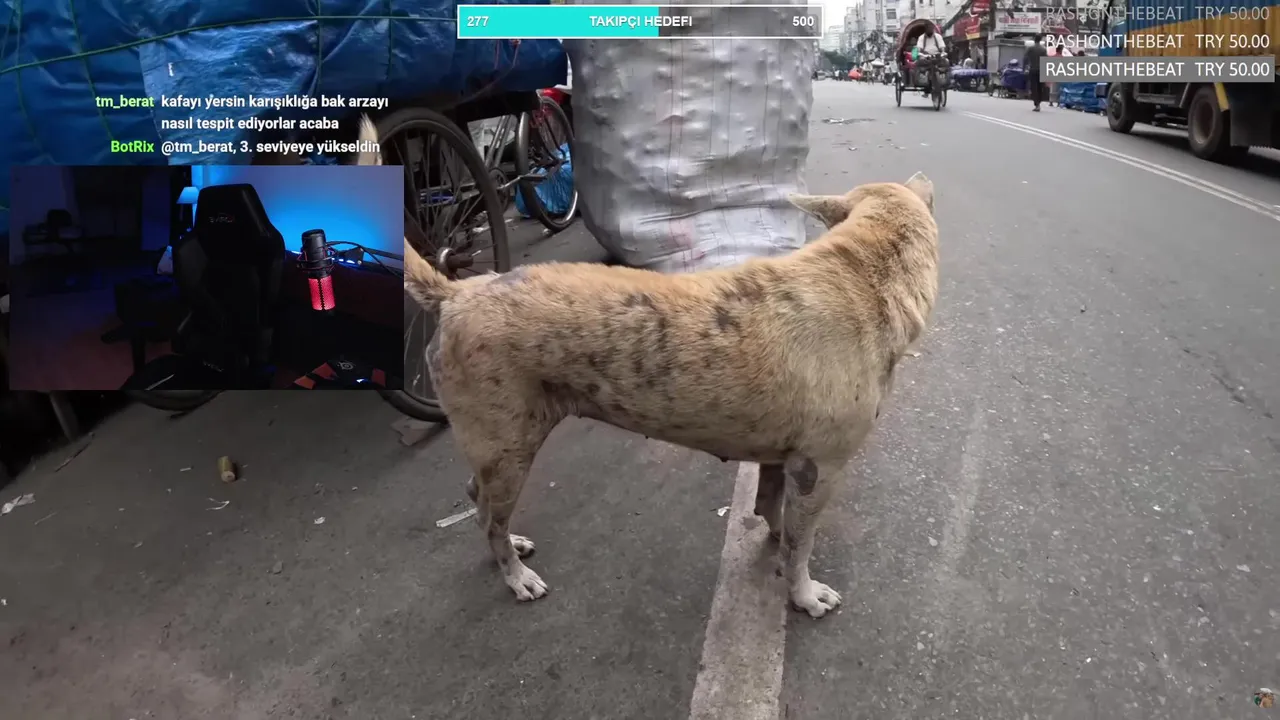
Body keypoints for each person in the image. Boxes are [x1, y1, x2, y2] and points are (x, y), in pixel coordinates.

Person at [916, 24, 946, 93]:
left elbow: (942, 47)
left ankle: (945, 80)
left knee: (946, 62)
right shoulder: (921, 37)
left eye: (931, 28)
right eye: (928, 28)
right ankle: (923, 81)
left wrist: (943, 53)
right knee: (920, 63)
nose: (929, 29)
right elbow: (919, 49)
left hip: (937, 56)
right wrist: (922, 55)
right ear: (925, 29)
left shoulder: (938, 36)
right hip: (926, 56)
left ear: (933, 29)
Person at [1024, 33, 1049, 111]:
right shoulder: (1043, 49)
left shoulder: (1030, 49)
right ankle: (1038, 102)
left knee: (1034, 87)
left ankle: (1037, 104)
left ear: (1034, 39)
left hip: (1033, 69)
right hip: (1041, 70)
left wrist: (1025, 68)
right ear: (1040, 39)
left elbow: (1025, 58)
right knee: (1040, 87)